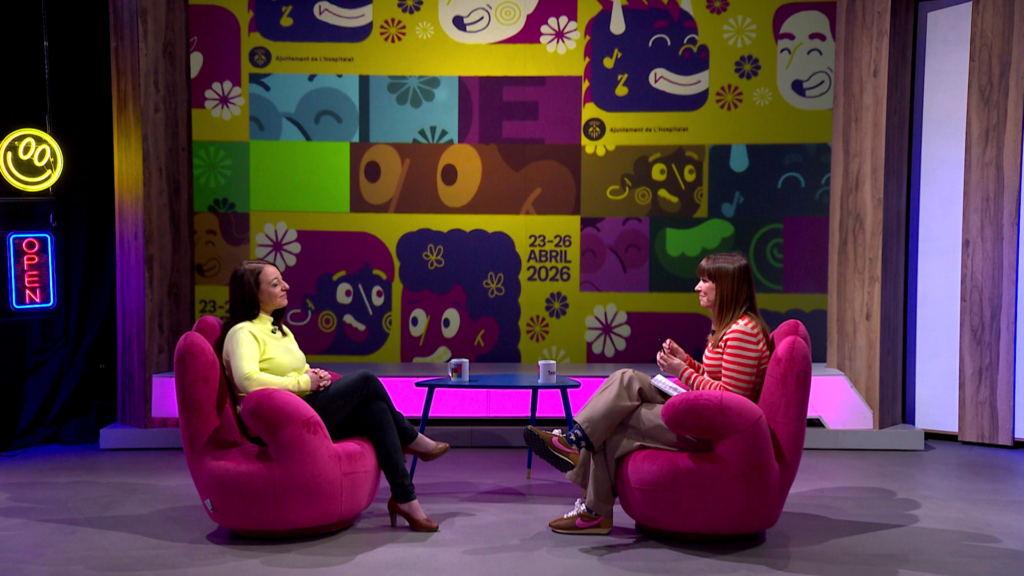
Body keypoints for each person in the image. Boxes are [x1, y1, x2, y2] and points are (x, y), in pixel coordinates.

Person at [524, 252, 773, 535]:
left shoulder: (742, 333)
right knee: (627, 378)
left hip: (712, 431)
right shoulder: (733, 327)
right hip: (704, 416)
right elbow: (717, 379)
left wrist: (682, 371)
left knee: (613, 420)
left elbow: (731, 399)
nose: (697, 287)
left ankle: (593, 507)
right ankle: (575, 444)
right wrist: (686, 361)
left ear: (726, 286)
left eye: (705, 281)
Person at [218, 260, 450, 532]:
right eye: (275, 283)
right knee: (366, 379)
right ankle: (410, 438)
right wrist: (304, 381)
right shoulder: (243, 332)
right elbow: (248, 380)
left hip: (301, 411)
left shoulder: (279, 329)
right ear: (253, 294)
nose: (286, 286)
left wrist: (313, 375)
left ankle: (405, 499)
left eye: (282, 280)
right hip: (274, 426)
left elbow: (293, 369)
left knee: (375, 411)